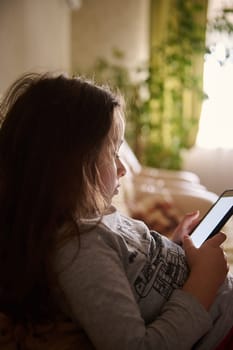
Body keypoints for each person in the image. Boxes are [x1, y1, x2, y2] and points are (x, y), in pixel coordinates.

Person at [0, 72, 232, 350]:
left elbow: (136, 276)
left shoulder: (93, 224)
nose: (123, 169)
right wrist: (203, 280)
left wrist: (174, 247)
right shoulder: (79, 251)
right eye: (112, 153)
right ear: (69, 167)